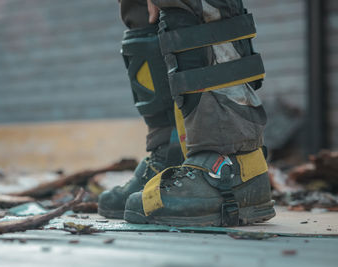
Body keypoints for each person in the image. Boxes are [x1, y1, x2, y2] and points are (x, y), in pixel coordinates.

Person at [98, 0, 276, 226]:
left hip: (229, 160)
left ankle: (231, 162)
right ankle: (173, 151)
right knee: (143, 14)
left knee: (197, 7)